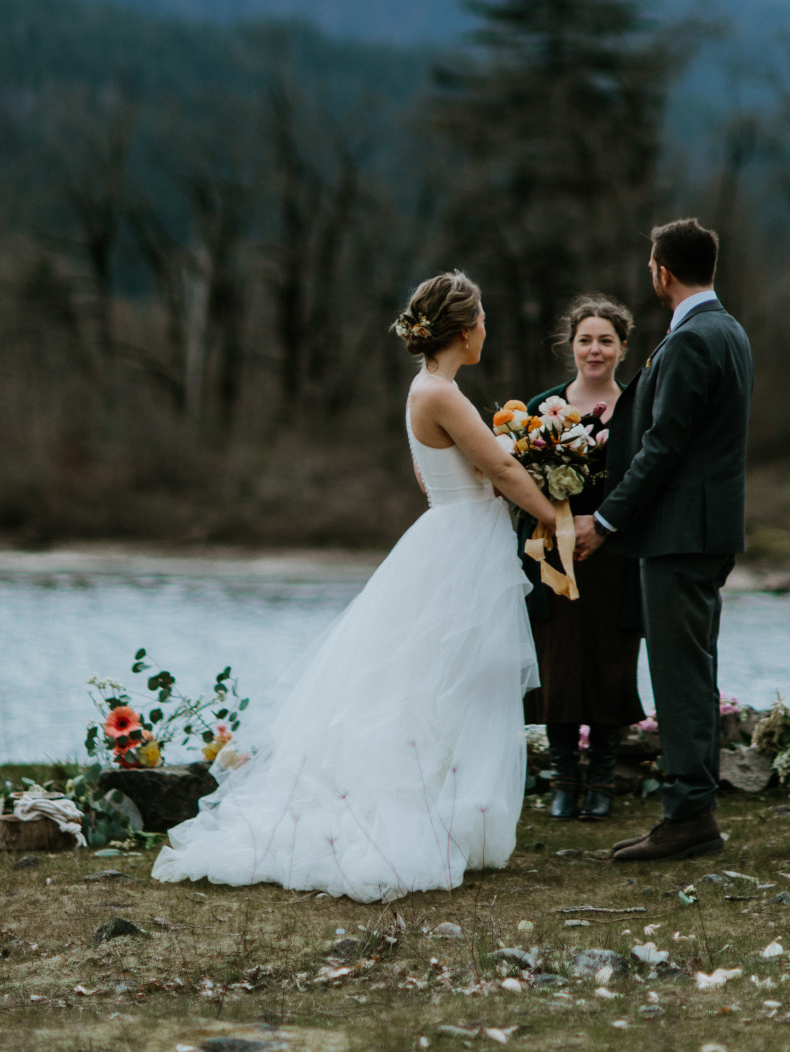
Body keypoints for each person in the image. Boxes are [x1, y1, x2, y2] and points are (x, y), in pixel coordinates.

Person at [153, 270, 558, 902]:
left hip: (455, 538)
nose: (487, 330)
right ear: (461, 328)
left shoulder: (428, 388)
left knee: (452, 683)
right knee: (438, 685)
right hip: (457, 552)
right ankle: (415, 822)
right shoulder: (441, 393)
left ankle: (454, 817)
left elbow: (438, 480)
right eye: (481, 319)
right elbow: (501, 466)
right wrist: (555, 515)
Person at [574, 217, 752, 863]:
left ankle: (688, 818)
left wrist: (607, 519)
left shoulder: (691, 341)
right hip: (706, 530)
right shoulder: (728, 331)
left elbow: (664, 446)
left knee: (679, 677)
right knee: (694, 672)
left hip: (680, 534)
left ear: (662, 272)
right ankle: (693, 809)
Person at [520, 296, 644, 822]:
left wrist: (607, 528)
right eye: (586, 340)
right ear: (570, 346)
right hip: (553, 556)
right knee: (560, 666)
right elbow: (518, 480)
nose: (595, 349)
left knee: (612, 666)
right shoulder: (540, 408)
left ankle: (603, 783)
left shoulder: (640, 410)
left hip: (618, 556)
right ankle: (564, 780)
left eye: (606, 340)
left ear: (622, 347)